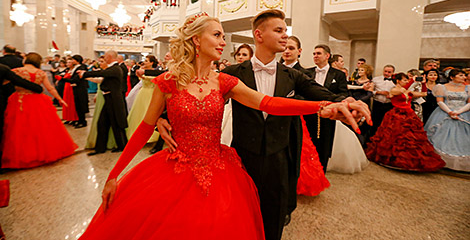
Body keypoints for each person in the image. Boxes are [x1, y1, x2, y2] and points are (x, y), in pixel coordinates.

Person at [79, 13, 369, 240]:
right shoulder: (168, 81)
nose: (223, 42)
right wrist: (115, 174)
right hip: (174, 171)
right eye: (217, 35)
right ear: (196, 40)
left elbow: (268, 103)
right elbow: (144, 127)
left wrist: (321, 107)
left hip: (219, 172)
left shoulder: (225, 81)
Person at [1, 53, 78, 169]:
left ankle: (23, 155)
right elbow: (50, 88)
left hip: (20, 99)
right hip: (37, 100)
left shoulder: (17, 71)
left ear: (26, 59)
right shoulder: (40, 73)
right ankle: (42, 153)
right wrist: (59, 99)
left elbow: (5, 82)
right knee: (40, 128)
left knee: (19, 128)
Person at [281, 36, 330, 199]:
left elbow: (311, 96)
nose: (287, 51)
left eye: (291, 48)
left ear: (299, 51)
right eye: (285, 48)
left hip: (297, 119)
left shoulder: (306, 73)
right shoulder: (273, 69)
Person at [366, 73, 445, 171]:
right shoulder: (394, 90)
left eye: (407, 80)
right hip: (397, 115)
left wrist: (423, 84)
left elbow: (424, 93)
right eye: (404, 80)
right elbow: (402, 90)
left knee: (411, 138)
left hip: (409, 115)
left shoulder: (407, 91)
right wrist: (412, 81)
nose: (406, 82)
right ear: (398, 81)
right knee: (395, 137)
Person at [304, 44, 349, 172]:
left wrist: (330, 103)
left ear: (327, 56)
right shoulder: (307, 72)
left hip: (328, 115)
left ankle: (321, 172)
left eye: (318, 53)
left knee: (324, 145)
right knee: (308, 143)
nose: (315, 56)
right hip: (309, 112)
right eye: (314, 54)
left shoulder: (338, 74)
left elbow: (344, 93)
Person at [80, 51, 128, 155]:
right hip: (109, 99)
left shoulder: (115, 68)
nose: (104, 58)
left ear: (109, 57)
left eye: (105, 56)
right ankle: (101, 148)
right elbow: (102, 75)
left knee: (116, 124)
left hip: (113, 100)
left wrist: (85, 74)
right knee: (103, 123)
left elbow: (102, 73)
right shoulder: (113, 68)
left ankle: (122, 146)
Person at [424, 69, 470, 172]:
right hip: (444, 112)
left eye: (464, 76)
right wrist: (450, 112)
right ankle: (441, 161)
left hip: (463, 113)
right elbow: (440, 101)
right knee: (441, 137)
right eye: (460, 76)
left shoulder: (468, 88)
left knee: (463, 139)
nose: (463, 78)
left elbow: (469, 102)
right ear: (452, 77)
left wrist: (459, 112)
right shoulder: (442, 87)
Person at [126, 55, 160, 143]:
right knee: (138, 112)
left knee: (148, 113)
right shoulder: (142, 70)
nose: (144, 62)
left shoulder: (155, 72)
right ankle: (137, 134)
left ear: (152, 63)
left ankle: (150, 135)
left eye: (147, 60)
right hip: (142, 94)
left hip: (151, 94)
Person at [85, 57, 117, 151]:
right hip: (100, 94)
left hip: (105, 97)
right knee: (99, 118)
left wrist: (86, 76)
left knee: (104, 119)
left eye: (103, 61)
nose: (100, 63)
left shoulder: (108, 72)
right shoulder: (103, 71)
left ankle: (108, 142)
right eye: (100, 62)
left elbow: (99, 80)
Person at [368, 65, 396, 143]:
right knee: (375, 122)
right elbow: (370, 91)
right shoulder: (376, 79)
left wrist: (392, 95)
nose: (386, 73)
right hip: (377, 104)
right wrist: (379, 92)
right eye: (385, 71)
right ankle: (372, 140)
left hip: (389, 105)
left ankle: (384, 141)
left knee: (387, 124)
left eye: (389, 72)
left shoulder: (395, 81)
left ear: (393, 73)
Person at [61, 55, 89, 128]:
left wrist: (62, 79)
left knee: (81, 105)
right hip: (76, 88)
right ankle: (79, 120)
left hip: (80, 88)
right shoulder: (76, 67)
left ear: (77, 60)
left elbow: (76, 79)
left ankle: (82, 121)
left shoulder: (81, 67)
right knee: (77, 105)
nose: (72, 61)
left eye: (73, 60)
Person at [58, 59, 78, 125]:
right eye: (67, 62)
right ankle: (68, 118)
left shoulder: (73, 71)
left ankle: (73, 118)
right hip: (66, 87)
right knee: (66, 102)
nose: (68, 63)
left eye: (69, 62)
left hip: (70, 87)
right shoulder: (67, 70)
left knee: (71, 103)